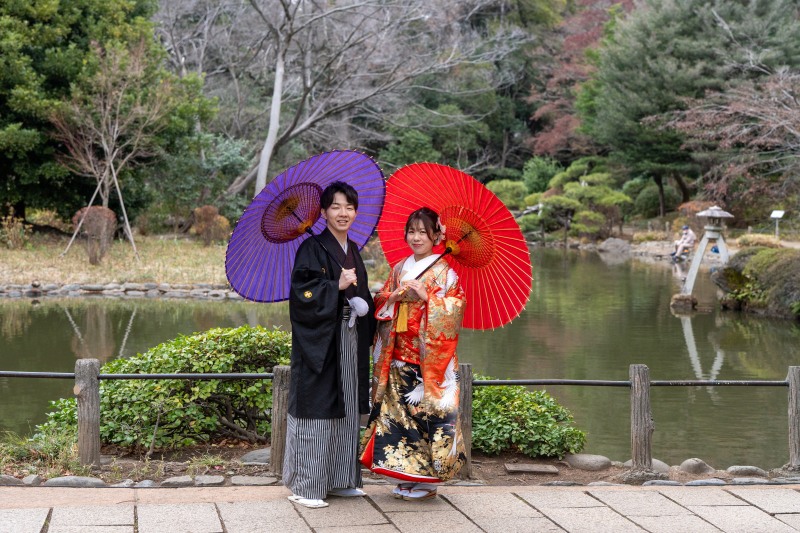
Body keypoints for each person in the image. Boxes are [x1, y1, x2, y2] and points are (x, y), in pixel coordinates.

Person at [359, 207, 467, 501]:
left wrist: (427, 297)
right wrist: (391, 297)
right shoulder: (399, 269)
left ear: (437, 237)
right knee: (399, 418)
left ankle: (428, 482)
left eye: (423, 232)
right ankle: (407, 476)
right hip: (396, 355)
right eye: (412, 231)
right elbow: (381, 300)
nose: (416, 237)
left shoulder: (446, 273)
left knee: (425, 418)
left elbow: (455, 309)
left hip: (428, 360)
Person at [283, 181, 376, 509]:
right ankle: (306, 486)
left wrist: (372, 305)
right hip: (320, 342)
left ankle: (341, 479)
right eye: (335, 207)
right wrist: (334, 286)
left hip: (350, 339)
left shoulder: (353, 250)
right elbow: (300, 295)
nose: (343, 213)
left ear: (355, 212)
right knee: (318, 409)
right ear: (323, 212)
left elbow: (362, 295)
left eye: (349, 207)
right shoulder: (311, 248)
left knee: (348, 407)